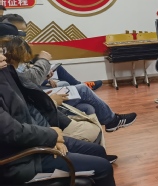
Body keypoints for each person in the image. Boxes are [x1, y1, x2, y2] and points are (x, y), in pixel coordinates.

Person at [0, 52, 141, 186]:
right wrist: (51, 136)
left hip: (36, 144)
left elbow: (29, 111)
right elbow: (12, 132)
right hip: (23, 160)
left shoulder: (5, 75)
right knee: (103, 167)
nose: (3, 56)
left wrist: (53, 136)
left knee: (98, 151)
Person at [0, 33, 136, 133]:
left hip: (39, 98)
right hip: (40, 103)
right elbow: (32, 78)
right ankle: (111, 120)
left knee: (87, 106)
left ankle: (97, 144)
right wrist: (43, 60)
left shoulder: (13, 68)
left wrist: (46, 78)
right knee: (82, 90)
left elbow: (29, 79)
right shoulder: (9, 71)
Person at [2, 14, 102, 90]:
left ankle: (80, 85)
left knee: (85, 105)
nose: (22, 37)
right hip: (28, 91)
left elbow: (24, 67)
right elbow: (29, 78)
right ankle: (82, 86)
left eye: (24, 33)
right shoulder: (6, 52)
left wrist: (46, 76)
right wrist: (43, 61)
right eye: (18, 33)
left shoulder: (17, 47)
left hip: (31, 85)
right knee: (80, 91)